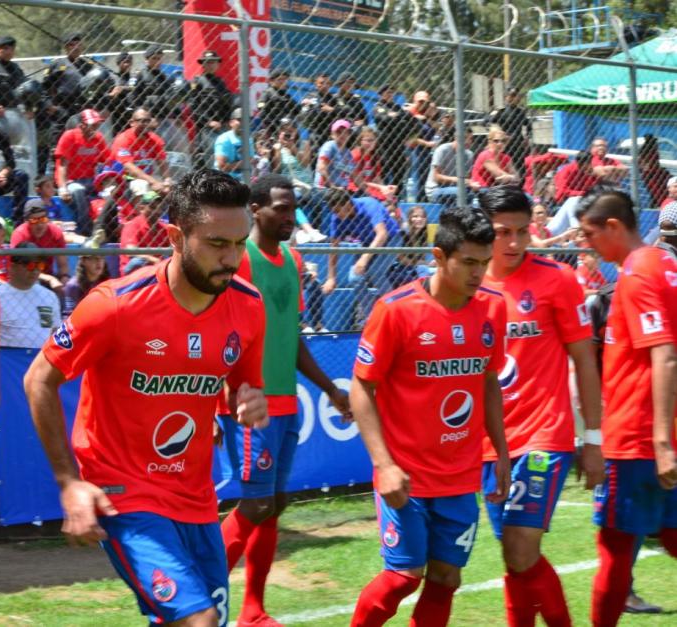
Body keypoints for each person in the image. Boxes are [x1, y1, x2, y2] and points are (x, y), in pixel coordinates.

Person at [23, 168, 268, 627]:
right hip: (124, 493)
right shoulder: (114, 305)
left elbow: (242, 388)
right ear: (175, 236)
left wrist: (247, 400)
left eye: (239, 243)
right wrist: (67, 482)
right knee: (198, 621)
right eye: (217, 244)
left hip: (196, 496)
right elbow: (38, 379)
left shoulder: (248, 305)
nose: (231, 258)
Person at [348, 206, 510, 626]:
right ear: (439, 257)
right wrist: (384, 465)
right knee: (404, 576)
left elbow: (488, 382)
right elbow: (361, 388)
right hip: (407, 474)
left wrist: (502, 454)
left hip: (460, 475)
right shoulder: (395, 309)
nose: (479, 273)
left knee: (445, 577)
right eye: (469, 262)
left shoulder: (492, 308)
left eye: (485, 263)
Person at [217, 174, 351, 626]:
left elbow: (291, 338)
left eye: (293, 208)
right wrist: (219, 398)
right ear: (255, 210)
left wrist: (330, 389)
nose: (290, 216)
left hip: (286, 402)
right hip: (249, 403)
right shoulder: (242, 260)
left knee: (273, 505)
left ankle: (253, 610)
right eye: (281, 208)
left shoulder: (292, 260)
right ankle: (197, 598)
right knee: (254, 504)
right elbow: (219, 332)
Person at [477, 186, 604, 627]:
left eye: (522, 231)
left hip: (543, 436)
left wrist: (592, 438)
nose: (513, 243)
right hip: (491, 443)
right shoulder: (467, 284)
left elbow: (584, 359)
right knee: (513, 555)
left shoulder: (557, 279)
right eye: (501, 233)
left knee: (520, 547)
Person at [573, 187, 677, 626]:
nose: (584, 243)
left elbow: (665, 353)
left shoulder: (637, 273)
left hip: (637, 440)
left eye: (589, 233)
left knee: (614, 550)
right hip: (659, 435)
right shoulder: (667, 264)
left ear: (614, 226)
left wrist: (660, 442)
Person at [40, 32, 93, 175]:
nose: (75, 47)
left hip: (82, 113)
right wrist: (49, 106)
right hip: (61, 111)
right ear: (66, 47)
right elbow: (44, 88)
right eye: (71, 44)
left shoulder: (88, 66)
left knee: (80, 146)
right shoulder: (57, 65)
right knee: (56, 148)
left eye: (78, 44)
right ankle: (52, 181)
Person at [54, 108, 110, 236]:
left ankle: (109, 231)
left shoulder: (98, 138)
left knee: (112, 193)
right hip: (71, 181)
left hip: (91, 181)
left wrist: (109, 184)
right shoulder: (70, 136)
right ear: (81, 125)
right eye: (92, 125)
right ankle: (85, 231)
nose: (95, 129)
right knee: (78, 191)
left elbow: (109, 161)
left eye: (97, 125)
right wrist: (63, 188)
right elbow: (62, 166)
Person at [0, 242, 62, 348]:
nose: (35, 270)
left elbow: (55, 332)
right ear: (13, 267)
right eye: (30, 265)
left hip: (41, 359)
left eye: (39, 265)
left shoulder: (49, 296)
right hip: (8, 361)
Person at [10, 201, 71, 290]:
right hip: (26, 278)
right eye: (34, 220)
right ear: (26, 221)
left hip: (48, 278)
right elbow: (20, 269)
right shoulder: (20, 235)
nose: (40, 225)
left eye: (43, 219)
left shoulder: (55, 232)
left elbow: (63, 266)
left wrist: (64, 278)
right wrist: (50, 279)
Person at [190, 50, 234, 169]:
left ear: (218, 64)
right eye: (208, 62)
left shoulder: (221, 82)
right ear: (203, 65)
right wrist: (208, 122)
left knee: (225, 155)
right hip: (207, 128)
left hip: (223, 126)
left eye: (213, 62)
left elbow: (227, 104)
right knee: (211, 158)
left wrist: (227, 121)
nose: (211, 65)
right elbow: (193, 107)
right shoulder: (197, 81)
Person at [111, 107, 171, 193]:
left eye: (148, 120)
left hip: (147, 178)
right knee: (141, 185)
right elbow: (128, 168)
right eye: (142, 121)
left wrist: (167, 180)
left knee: (171, 189)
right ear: (132, 123)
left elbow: (162, 162)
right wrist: (152, 182)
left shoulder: (154, 139)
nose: (146, 124)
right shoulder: (123, 139)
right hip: (124, 179)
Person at [372, 84, 418, 189]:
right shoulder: (378, 107)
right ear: (381, 94)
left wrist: (395, 117)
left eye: (391, 92)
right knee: (383, 173)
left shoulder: (397, 107)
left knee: (400, 174)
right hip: (384, 146)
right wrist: (399, 119)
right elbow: (385, 120)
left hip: (399, 145)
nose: (390, 95)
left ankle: (395, 198)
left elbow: (413, 122)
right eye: (387, 92)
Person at [485, 88, 532, 179]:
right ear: (506, 97)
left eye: (516, 96)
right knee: (506, 167)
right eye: (512, 95)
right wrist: (498, 132)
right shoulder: (501, 111)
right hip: (505, 145)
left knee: (521, 169)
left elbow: (529, 126)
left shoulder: (520, 112)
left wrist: (527, 137)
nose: (515, 98)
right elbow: (486, 121)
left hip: (518, 145)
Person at [119, 191, 169, 274]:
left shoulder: (163, 227)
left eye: (160, 208)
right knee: (137, 261)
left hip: (157, 268)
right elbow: (131, 252)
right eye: (152, 207)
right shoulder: (132, 225)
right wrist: (152, 259)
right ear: (142, 208)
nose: (157, 211)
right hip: (133, 270)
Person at [426, 131, 478, 207]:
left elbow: (467, 178)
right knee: (461, 192)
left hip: (459, 188)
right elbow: (436, 177)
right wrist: (459, 180)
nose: (469, 141)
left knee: (480, 192)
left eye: (471, 139)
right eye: (465, 138)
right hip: (436, 189)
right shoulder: (442, 150)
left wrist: (472, 184)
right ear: (456, 138)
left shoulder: (469, 154)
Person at [314, 119, 358, 191]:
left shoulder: (348, 153)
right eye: (338, 132)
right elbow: (321, 168)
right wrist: (333, 187)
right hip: (325, 189)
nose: (342, 135)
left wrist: (367, 191)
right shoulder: (329, 146)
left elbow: (355, 176)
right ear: (332, 135)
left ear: (349, 135)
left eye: (345, 132)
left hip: (342, 190)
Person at [299, 73, 338, 151]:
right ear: (316, 84)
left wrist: (331, 109)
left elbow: (342, 113)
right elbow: (308, 115)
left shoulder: (334, 99)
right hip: (315, 134)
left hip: (330, 134)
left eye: (327, 83)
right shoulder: (310, 96)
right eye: (322, 83)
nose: (325, 85)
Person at [214, 108, 254, 182]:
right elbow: (222, 167)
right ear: (231, 123)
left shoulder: (248, 139)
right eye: (240, 120)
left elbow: (251, 160)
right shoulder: (224, 139)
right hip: (224, 180)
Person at [257, 69, 300, 134]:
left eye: (285, 79)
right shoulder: (267, 93)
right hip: (273, 128)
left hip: (288, 128)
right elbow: (261, 109)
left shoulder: (286, 96)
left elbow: (297, 109)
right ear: (271, 81)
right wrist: (276, 125)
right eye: (280, 79)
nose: (283, 82)